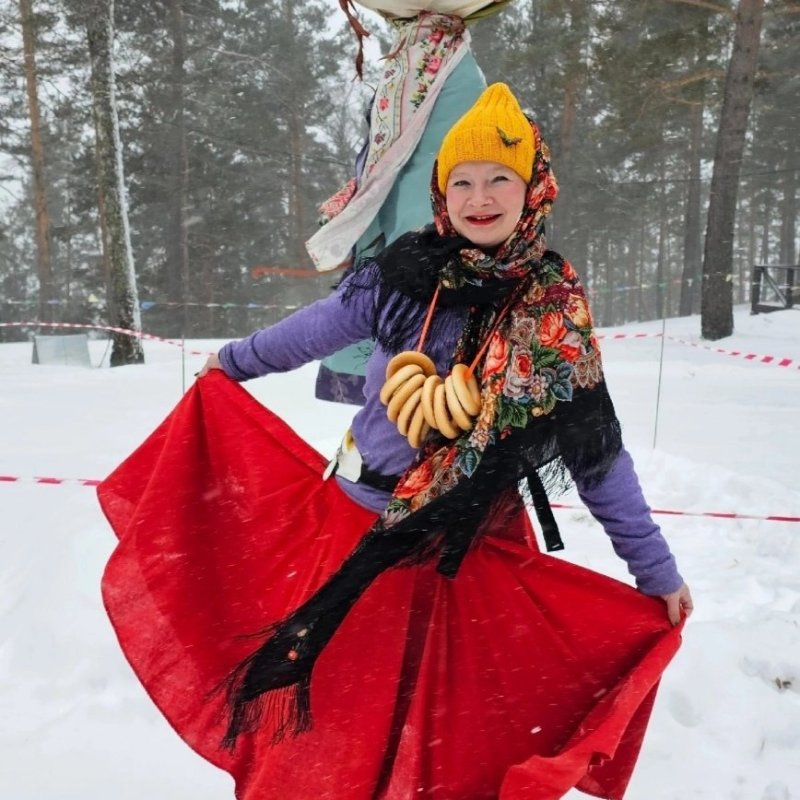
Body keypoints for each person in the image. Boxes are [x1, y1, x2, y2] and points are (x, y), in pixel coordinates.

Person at [100, 83, 692, 800]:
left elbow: (597, 456)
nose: (480, 196)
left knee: (449, 746)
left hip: (470, 550)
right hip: (358, 529)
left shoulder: (550, 309)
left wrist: (653, 569)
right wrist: (235, 362)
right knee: (333, 737)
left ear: (534, 188)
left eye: (500, 177)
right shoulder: (404, 277)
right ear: (443, 192)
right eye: (462, 179)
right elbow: (314, 330)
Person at [313, 1, 512, 405]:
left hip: (424, 259)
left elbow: (441, 170)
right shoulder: (418, 67)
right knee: (397, 395)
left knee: (424, 392)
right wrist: (359, 195)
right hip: (401, 248)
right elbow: (387, 158)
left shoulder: (450, 73)